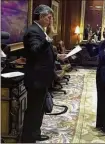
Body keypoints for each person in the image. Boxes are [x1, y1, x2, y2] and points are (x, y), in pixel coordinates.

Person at [21, 5, 64, 142]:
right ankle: (28, 138)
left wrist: (57, 57)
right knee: (34, 110)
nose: (51, 20)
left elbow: (44, 54)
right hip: (36, 78)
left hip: (43, 78)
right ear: (40, 16)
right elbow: (35, 51)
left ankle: (35, 133)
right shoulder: (33, 31)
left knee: (40, 110)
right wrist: (47, 39)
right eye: (49, 17)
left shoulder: (41, 30)